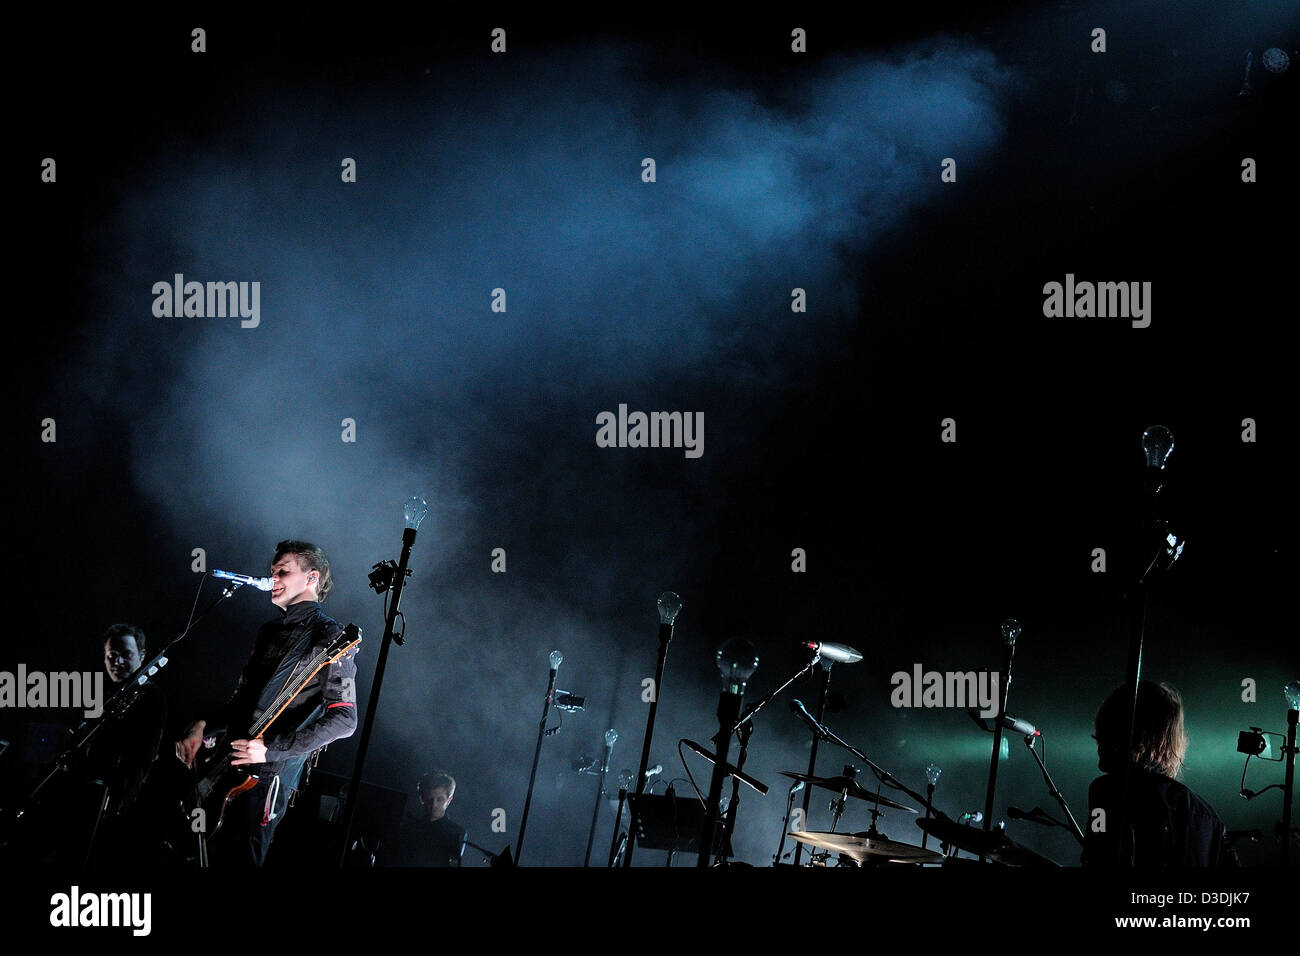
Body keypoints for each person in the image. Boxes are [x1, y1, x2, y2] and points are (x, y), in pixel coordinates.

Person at [175, 541, 358, 866]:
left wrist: (271, 748)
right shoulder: (269, 631)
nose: (272, 577)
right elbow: (241, 701)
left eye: (283, 571)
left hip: (268, 776)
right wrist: (202, 724)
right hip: (228, 762)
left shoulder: (330, 637)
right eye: (272, 571)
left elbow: (345, 720)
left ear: (311, 578)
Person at [1083, 680, 1228, 867]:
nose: (1099, 746)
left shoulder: (1105, 791)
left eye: (1104, 736)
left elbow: (1098, 858)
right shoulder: (1207, 817)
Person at [389, 770, 467, 866]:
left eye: (440, 799)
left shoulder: (456, 832)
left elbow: (453, 864)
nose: (434, 805)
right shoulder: (408, 828)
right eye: (430, 799)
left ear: (449, 800)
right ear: (422, 799)